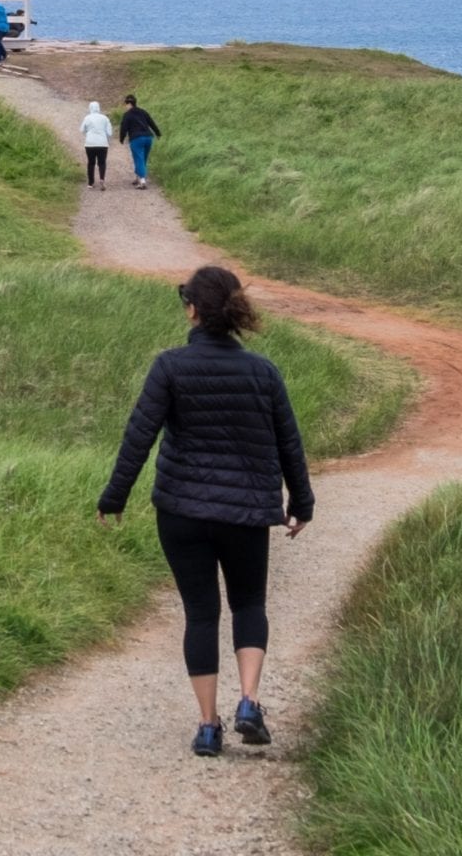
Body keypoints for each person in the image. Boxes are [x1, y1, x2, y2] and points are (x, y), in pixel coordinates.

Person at [97, 266, 313, 758]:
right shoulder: (264, 372)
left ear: (192, 309)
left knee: (200, 613)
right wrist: (301, 503)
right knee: (249, 604)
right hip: (245, 515)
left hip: (182, 512)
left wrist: (115, 496)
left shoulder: (169, 367)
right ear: (235, 311)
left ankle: (208, 726)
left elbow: (139, 436)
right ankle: (250, 702)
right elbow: (289, 444)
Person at [120, 93, 162, 189]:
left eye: (125, 104)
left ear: (128, 104)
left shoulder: (127, 115)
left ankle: (142, 181)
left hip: (136, 139)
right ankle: (138, 177)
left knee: (138, 159)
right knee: (142, 159)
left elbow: (124, 128)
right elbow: (151, 122)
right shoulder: (143, 112)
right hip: (148, 138)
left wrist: (121, 138)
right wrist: (158, 133)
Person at [80, 100, 113, 187]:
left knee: (91, 163)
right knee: (102, 162)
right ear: (99, 108)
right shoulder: (105, 118)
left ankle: (90, 183)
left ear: (90, 108)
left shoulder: (87, 118)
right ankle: (102, 179)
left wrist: (88, 133)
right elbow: (109, 133)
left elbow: (82, 130)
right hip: (102, 144)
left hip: (90, 143)